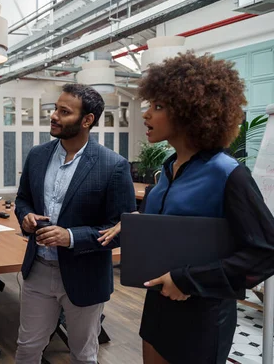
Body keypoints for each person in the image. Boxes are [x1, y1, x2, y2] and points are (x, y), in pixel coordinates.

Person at [97, 52, 274, 364]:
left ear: (191, 112)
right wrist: (139, 224)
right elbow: (178, 230)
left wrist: (189, 280)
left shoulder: (227, 173)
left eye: (159, 107)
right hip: (156, 306)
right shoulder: (166, 171)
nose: (147, 115)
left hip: (203, 316)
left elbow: (265, 251)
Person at [15, 83, 136, 363]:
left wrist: (70, 236)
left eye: (64, 111)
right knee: (27, 348)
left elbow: (122, 230)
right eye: (55, 109)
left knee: (83, 353)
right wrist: (26, 216)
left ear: (87, 120)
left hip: (85, 275)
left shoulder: (113, 165)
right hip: (38, 271)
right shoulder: (37, 155)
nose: (54, 116)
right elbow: (22, 200)